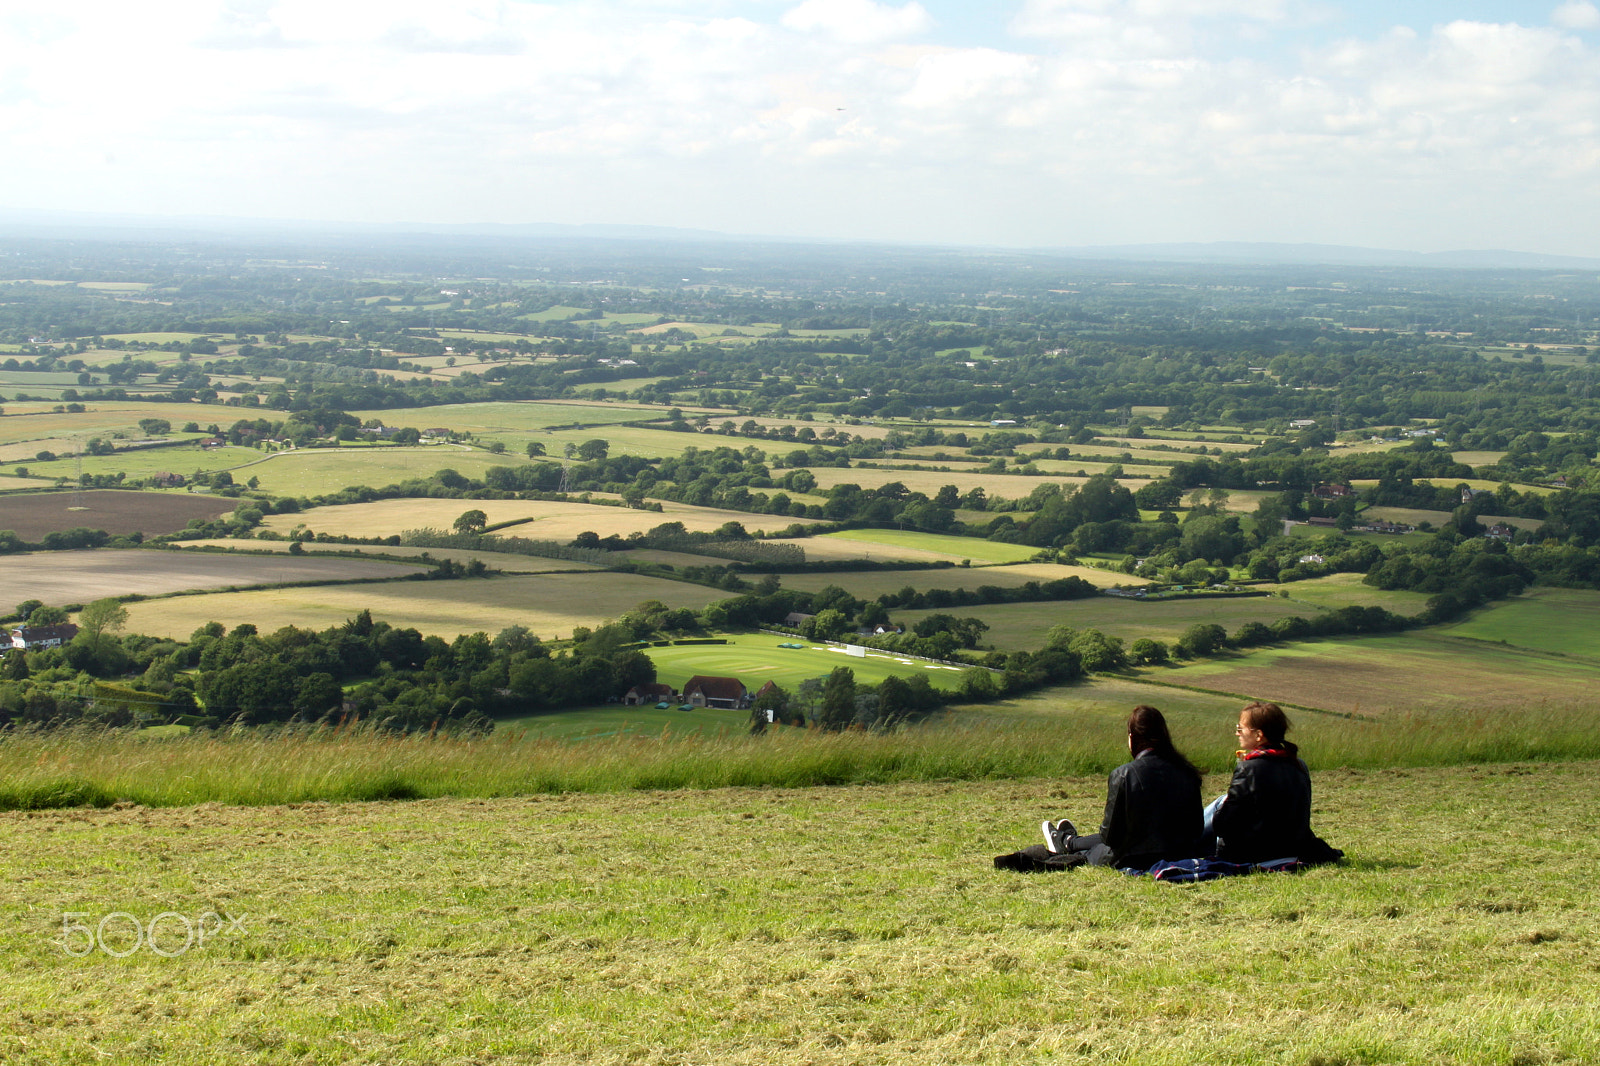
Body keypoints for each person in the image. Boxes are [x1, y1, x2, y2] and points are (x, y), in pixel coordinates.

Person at [1033, 705, 1204, 870]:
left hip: (1133, 858)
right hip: (1180, 854)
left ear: (1133, 737)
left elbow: (1109, 836)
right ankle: (1069, 841)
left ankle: (1067, 843)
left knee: (1093, 851)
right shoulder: (1187, 772)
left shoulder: (1123, 774)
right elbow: (1197, 829)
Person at [1206, 700, 1338, 864]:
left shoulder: (1248, 768)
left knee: (1218, 805)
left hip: (1254, 852)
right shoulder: (1299, 765)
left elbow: (1223, 824)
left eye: (1240, 729)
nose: (1237, 733)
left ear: (1259, 735)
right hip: (1293, 847)